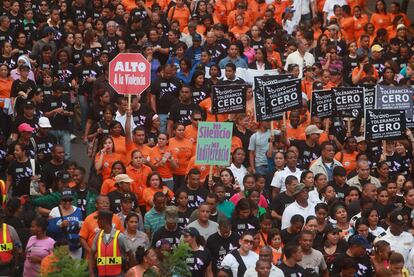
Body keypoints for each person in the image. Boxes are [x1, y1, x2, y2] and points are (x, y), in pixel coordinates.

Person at [89, 210, 135, 277]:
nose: (97, 222)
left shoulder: (120, 237)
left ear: (105, 220)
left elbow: (131, 255)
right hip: (101, 275)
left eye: (99, 219)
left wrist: (132, 273)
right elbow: (91, 255)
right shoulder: (98, 236)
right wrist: (91, 273)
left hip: (119, 274)